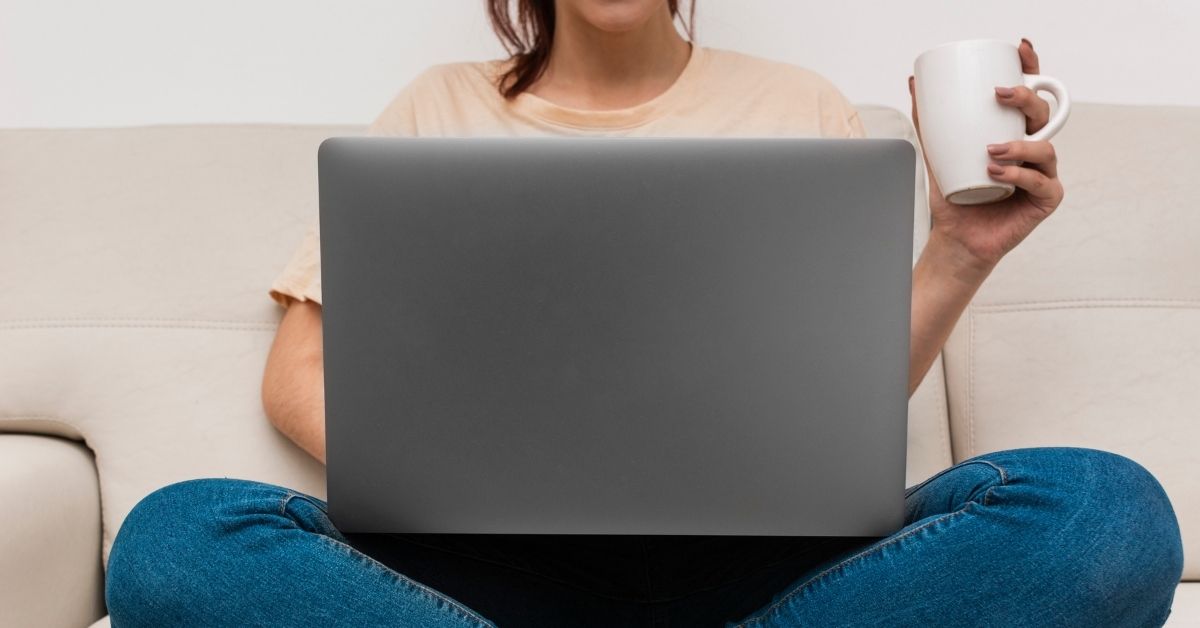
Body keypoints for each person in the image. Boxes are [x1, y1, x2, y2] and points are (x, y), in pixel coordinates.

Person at [104, 1, 1184, 626]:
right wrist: (465, 480)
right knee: (173, 541)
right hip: (483, 569)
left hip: (757, 561)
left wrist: (957, 247)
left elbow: (838, 403)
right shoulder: (438, 105)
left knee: (1103, 511)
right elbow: (299, 374)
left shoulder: (797, 101)